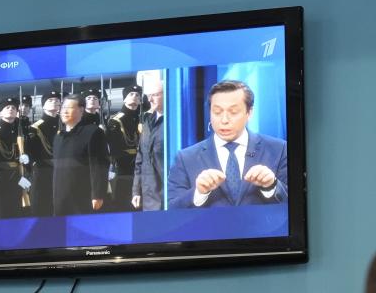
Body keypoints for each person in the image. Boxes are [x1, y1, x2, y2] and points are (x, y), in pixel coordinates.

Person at [167, 80, 288, 209]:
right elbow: (173, 211)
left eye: (233, 112)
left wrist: (271, 185)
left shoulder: (279, 149)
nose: (224, 120)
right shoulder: (185, 158)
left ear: (249, 112)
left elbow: (298, 207)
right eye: (217, 112)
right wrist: (198, 193)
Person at [51, 94, 109, 216]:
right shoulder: (58, 137)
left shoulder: (92, 132)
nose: (65, 111)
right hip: (60, 197)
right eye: (63, 108)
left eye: (69, 107)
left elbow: (99, 165)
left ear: (81, 110)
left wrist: (97, 194)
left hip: (83, 195)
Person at [0, 96, 32, 218]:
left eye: (14, 108)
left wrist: (27, 169)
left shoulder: (20, 132)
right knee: (1, 212)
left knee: (19, 212)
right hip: (1, 179)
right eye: (7, 107)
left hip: (19, 177)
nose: (11, 109)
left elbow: (28, 153)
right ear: (0, 113)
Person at [105, 85, 142, 211]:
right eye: (131, 94)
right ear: (124, 99)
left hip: (142, 166)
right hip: (124, 167)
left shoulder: (142, 119)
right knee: (123, 202)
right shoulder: (115, 121)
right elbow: (115, 148)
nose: (135, 97)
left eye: (137, 95)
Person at [25, 91, 61, 217]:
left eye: (57, 101)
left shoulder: (66, 125)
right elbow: (30, 152)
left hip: (63, 172)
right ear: (43, 106)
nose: (55, 102)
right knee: (42, 207)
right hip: (43, 172)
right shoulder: (34, 128)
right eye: (50, 100)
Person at [132, 79, 165, 211]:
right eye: (148, 95)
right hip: (149, 197)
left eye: (155, 95)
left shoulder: (174, 121)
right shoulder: (147, 121)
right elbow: (141, 158)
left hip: (167, 194)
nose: (150, 99)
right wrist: (136, 190)